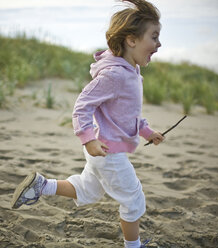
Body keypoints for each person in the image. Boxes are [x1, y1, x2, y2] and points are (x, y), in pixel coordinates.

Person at [11, 0, 164, 247]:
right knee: (134, 198)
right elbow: (82, 106)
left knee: (88, 190)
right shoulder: (115, 74)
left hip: (103, 149)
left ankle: (41, 186)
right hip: (106, 150)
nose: (158, 44)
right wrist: (88, 139)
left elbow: (127, 114)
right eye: (154, 37)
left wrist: (147, 131)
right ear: (131, 40)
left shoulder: (131, 73)